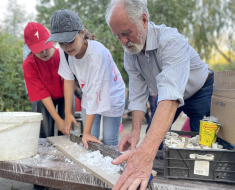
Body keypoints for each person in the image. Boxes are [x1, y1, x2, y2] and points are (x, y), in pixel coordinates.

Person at [105, 0, 214, 189]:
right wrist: (135, 132)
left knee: (202, 150)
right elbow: (138, 93)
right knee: (153, 139)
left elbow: (171, 97)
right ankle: (153, 178)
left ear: (144, 20)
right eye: (117, 36)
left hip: (199, 92)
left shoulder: (171, 40)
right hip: (165, 95)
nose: (123, 41)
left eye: (126, 33)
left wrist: (145, 153)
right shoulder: (130, 51)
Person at [46, 9, 125, 148]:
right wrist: (68, 113)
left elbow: (97, 94)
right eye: (61, 42)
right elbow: (68, 80)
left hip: (112, 96)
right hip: (89, 94)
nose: (67, 47)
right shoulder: (64, 53)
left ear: (82, 33)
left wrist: (86, 132)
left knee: (109, 141)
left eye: (70, 40)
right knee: (88, 141)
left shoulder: (97, 55)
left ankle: (110, 167)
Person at [23, 22, 65, 138]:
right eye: (39, 49)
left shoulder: (63, 55)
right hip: (44, 97)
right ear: (29, 48)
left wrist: (63, 120)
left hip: (65, 93)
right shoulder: (29, 64)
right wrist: (57, 119)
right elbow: (42, 93)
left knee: (67, 129)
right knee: (45, 133)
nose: (44, 52)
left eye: (45, 46)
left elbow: (69, 85)